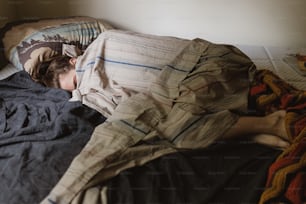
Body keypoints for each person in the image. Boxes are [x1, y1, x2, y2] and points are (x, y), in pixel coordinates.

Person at [36, 52, 291, 150]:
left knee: (177, 129)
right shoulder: (89, 93)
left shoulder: (104, 45)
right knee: (165, 127)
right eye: (75, 89)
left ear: (73, 61)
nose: (82, 87)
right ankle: (251, 132)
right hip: (177, 87)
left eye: (77, 79)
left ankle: (270, 123)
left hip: (204, 62)